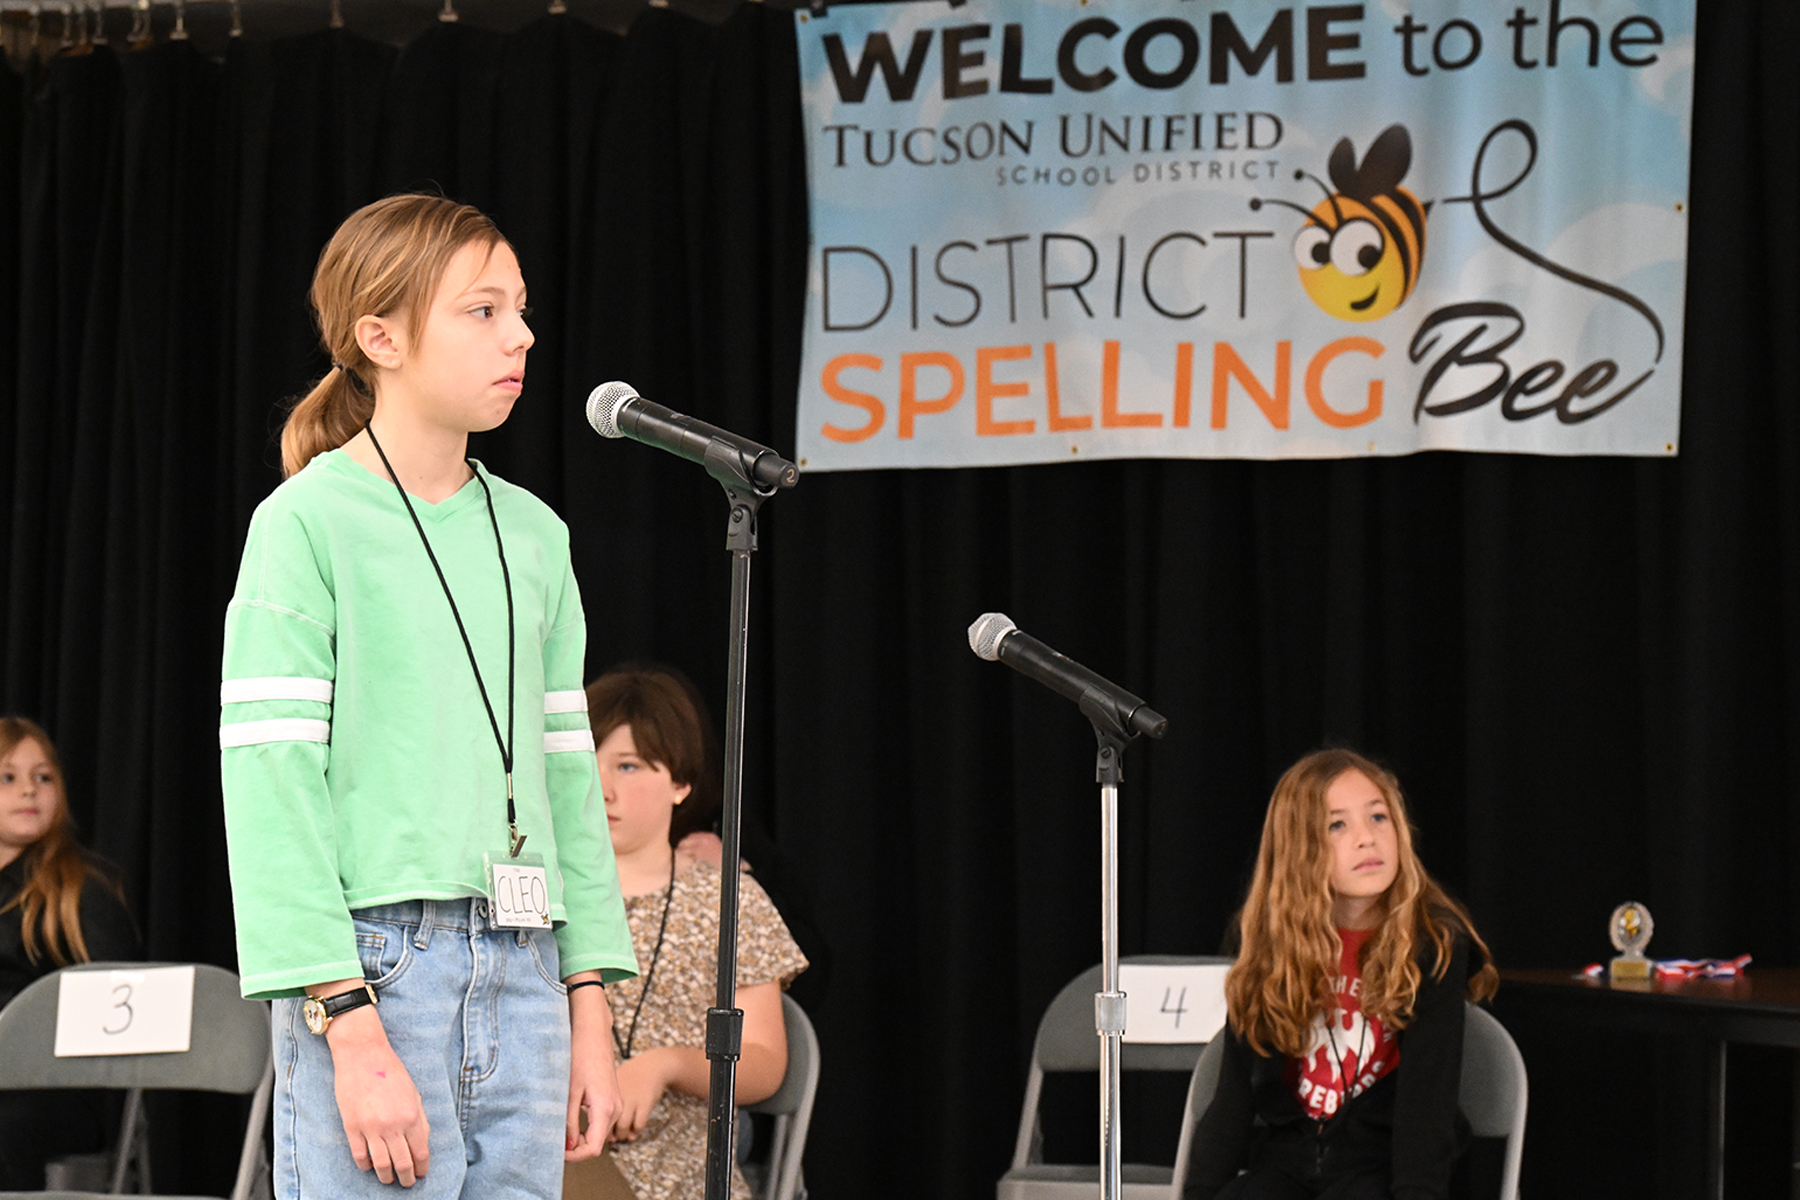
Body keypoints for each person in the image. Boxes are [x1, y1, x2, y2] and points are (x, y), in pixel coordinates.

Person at [219, 194, 637, 1200]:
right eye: (484, 310)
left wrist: (589, 1004)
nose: (523, 335)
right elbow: (269, 784)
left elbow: (569, 780)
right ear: (381, 336)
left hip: (529, 964)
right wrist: (347, 1023)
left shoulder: (536, 534)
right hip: (374, 969)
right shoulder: (305, 523)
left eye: (522, 310)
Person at [1185, 749, 1498, 1200]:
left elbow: (1425, 1110)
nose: (1366, 839)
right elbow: (1232, 1101)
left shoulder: (1433, 946)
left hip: (1379, 1169)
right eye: (1337, 825)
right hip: (1287, 1165)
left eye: (1378, 817)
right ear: (1298, 851)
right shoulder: (1274, 950)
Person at [580, 666, 807, 1200]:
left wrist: (665, 1067)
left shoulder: (725, 900)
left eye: (629, 766)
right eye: (585, 764)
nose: (603, 787)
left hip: (679, 1179)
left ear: (681, 783)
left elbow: (766, 1062)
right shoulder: (535, 895)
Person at [0, 716, 139, 1188]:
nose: (28, 791)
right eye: (8, 776)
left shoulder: (83, 891)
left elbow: (120, 1013)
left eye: (43, 777)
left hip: (51, 1091)